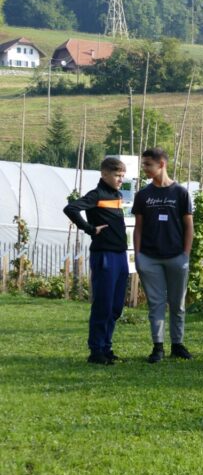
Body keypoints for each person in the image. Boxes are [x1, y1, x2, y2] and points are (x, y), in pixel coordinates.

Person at [63, 156, 129, 365]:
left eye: (122, 176)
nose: (120, 180)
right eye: (117, 175)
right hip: (105, 255)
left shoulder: (116, 195)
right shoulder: (97, 194)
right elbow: (71, 208)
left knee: (116, 306)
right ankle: (96, 350)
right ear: (104, 174)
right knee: (103, 304)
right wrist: (90, 229)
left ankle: (107, 347)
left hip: (120, 255)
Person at [132, 147, 194, 363]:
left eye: (148, 165)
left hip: (177, 257)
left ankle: (177, 344)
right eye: (144, 165)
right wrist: (138, 256)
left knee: (178, 304)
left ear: (162, 164)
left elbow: (189, 227)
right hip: (149, 258)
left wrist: (185, 255)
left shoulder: (181, 193)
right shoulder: (143, 195)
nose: (145, 169)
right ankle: (157, 347)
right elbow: (138, 228)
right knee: (156, 304)